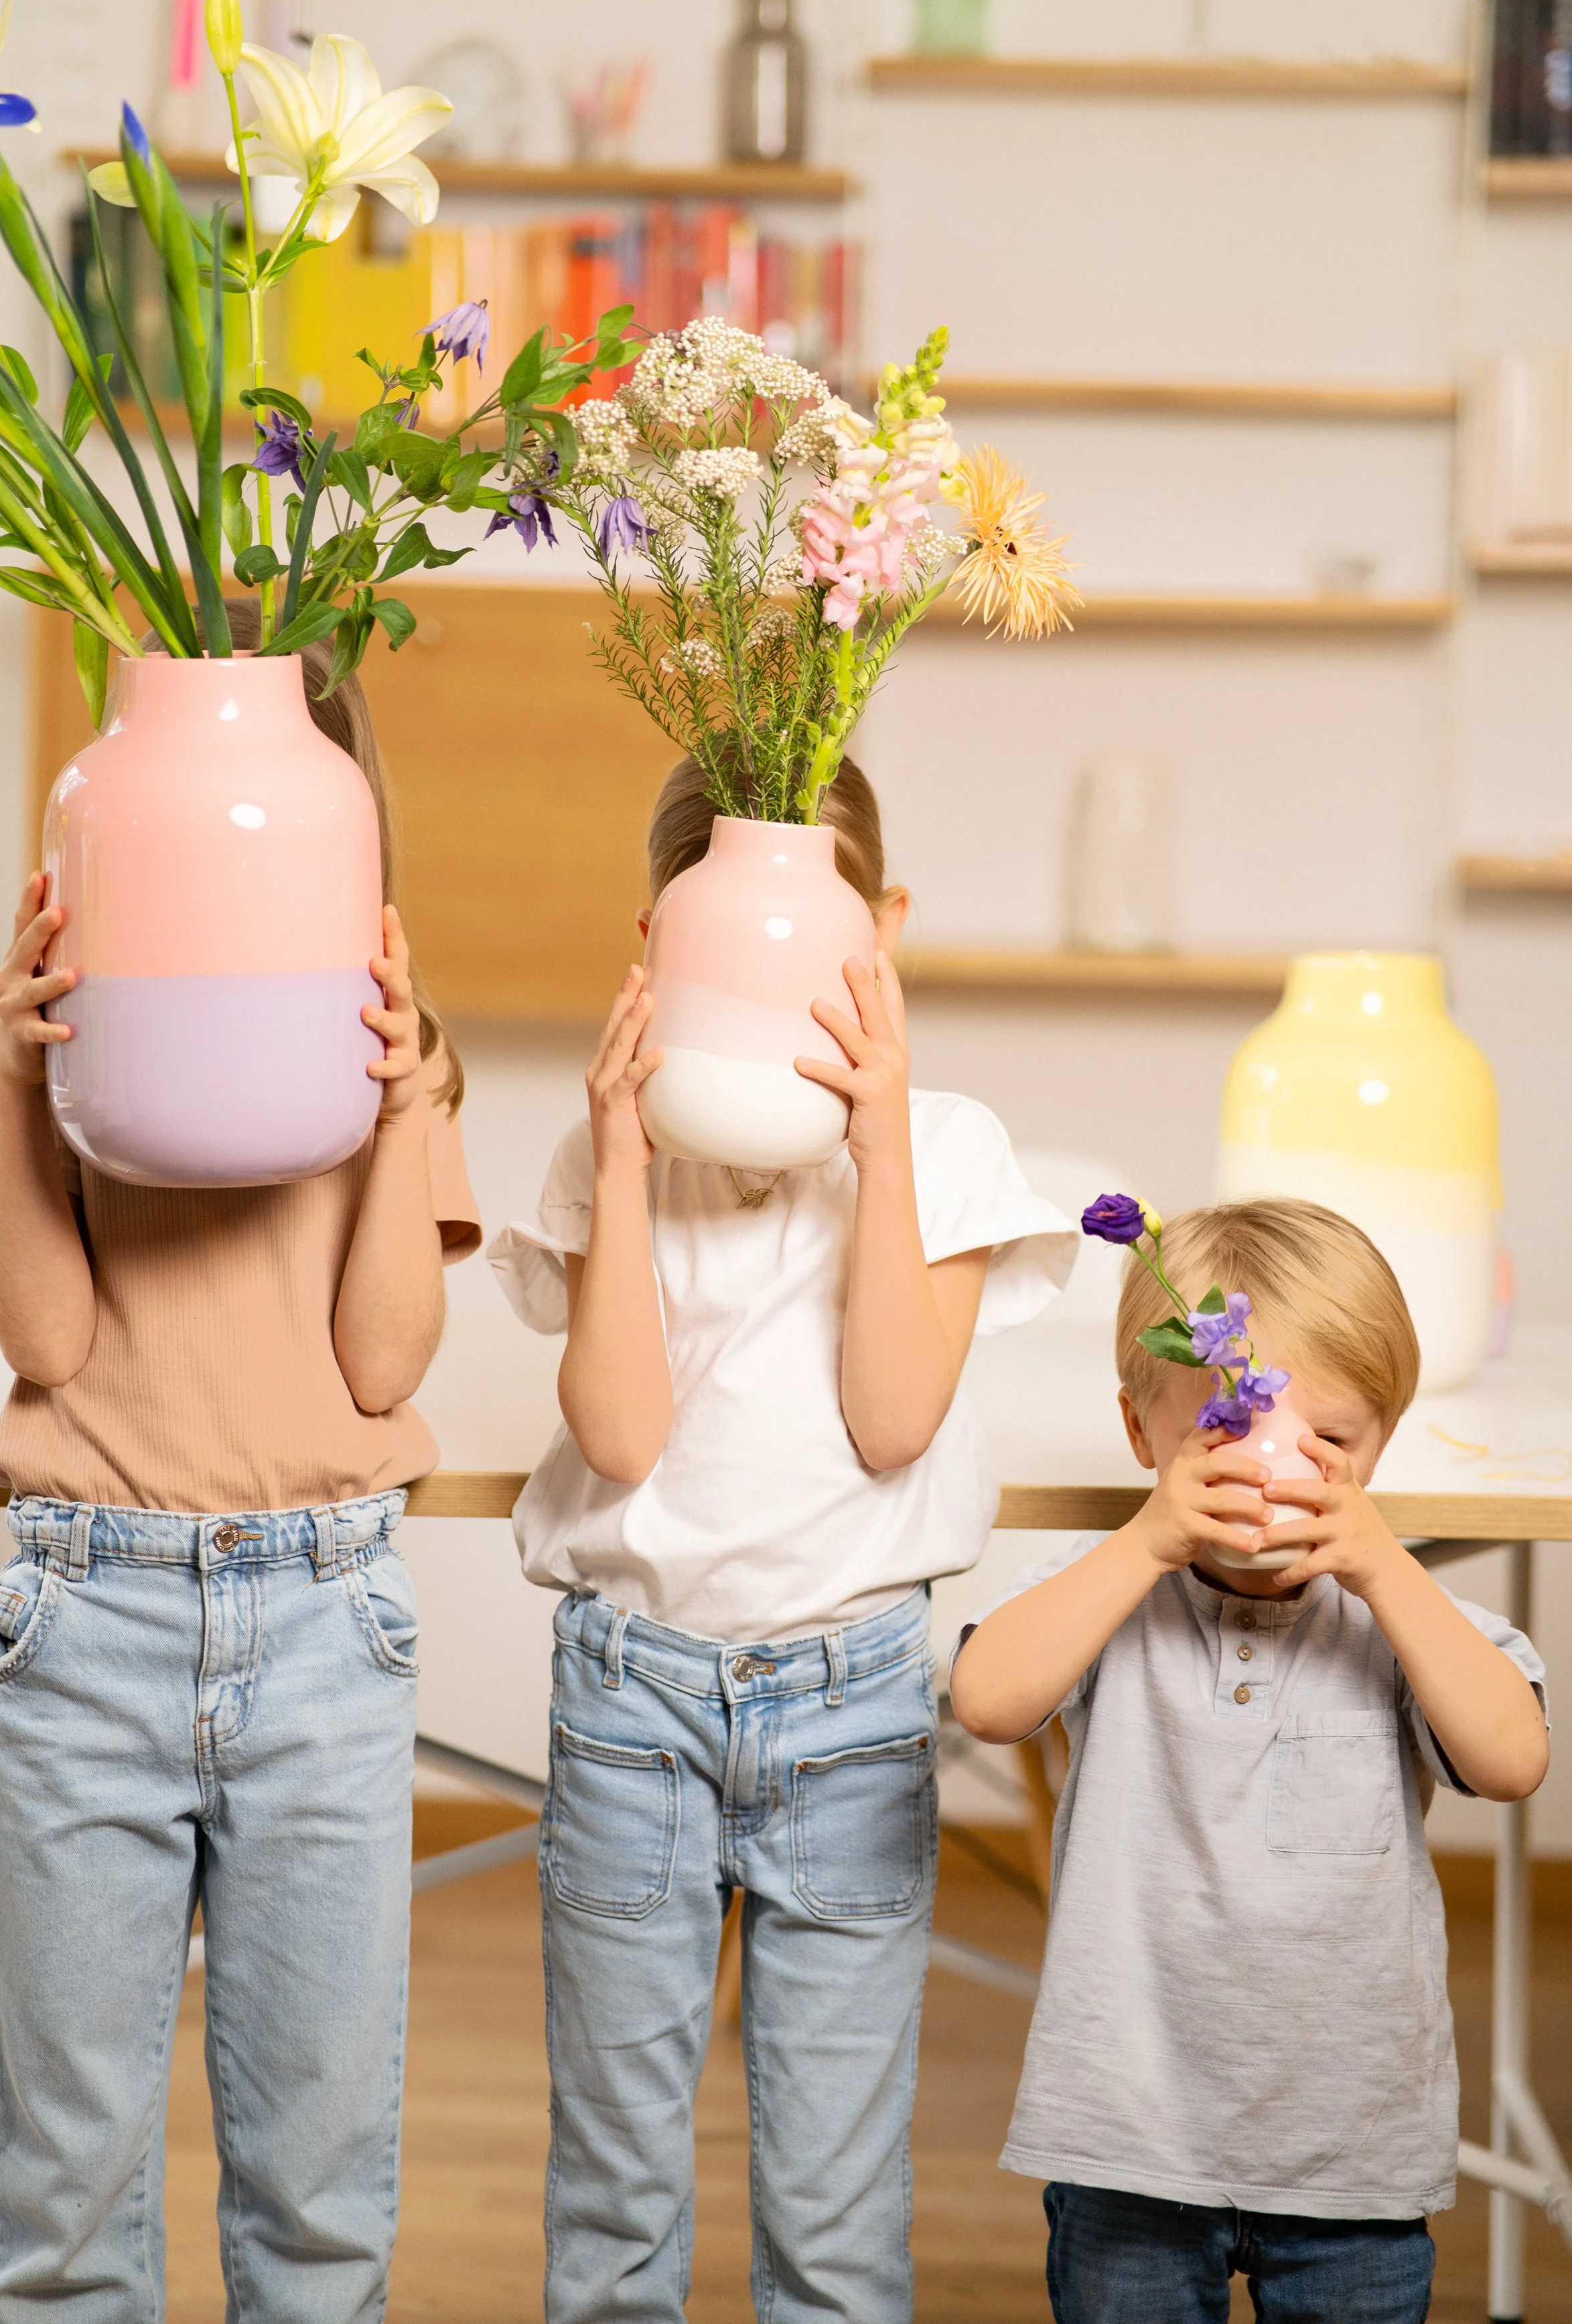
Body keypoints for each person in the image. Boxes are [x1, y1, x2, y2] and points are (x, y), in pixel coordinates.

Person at [488, 750, 1078, 2324]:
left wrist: (876, 1135)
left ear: (881, 929)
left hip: (853, 1706)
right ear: (655, 942)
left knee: (831, 2209)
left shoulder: (940, 1151)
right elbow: (619, 1437)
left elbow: (891, 1417)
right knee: (612, 2197)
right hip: (633, 1706)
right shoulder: (612, 1161)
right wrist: (619, 1157)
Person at [0, 603, 480, 2324]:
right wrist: (20, 1080)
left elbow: (382, 1358)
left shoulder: (394, 1048)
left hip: (323, 1626)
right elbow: (46, 1341)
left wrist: (400, 1109)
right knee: (66, 2195)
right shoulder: (54, 1025)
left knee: (320, 2194)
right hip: (89, 1610)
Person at [951, 1196, 1551, 2324]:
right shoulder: (1113, 1594)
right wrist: (1146, 1540)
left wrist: (1385, 1571)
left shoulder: (1404, 1619)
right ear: (1144, 1437)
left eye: (1335, 1440)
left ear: (1380, 1444)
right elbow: (986, 1698)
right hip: (1129, 2141)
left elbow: (1514, 1760)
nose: (1287, 1471)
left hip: (1352, 2157)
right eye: (1230, 1433)